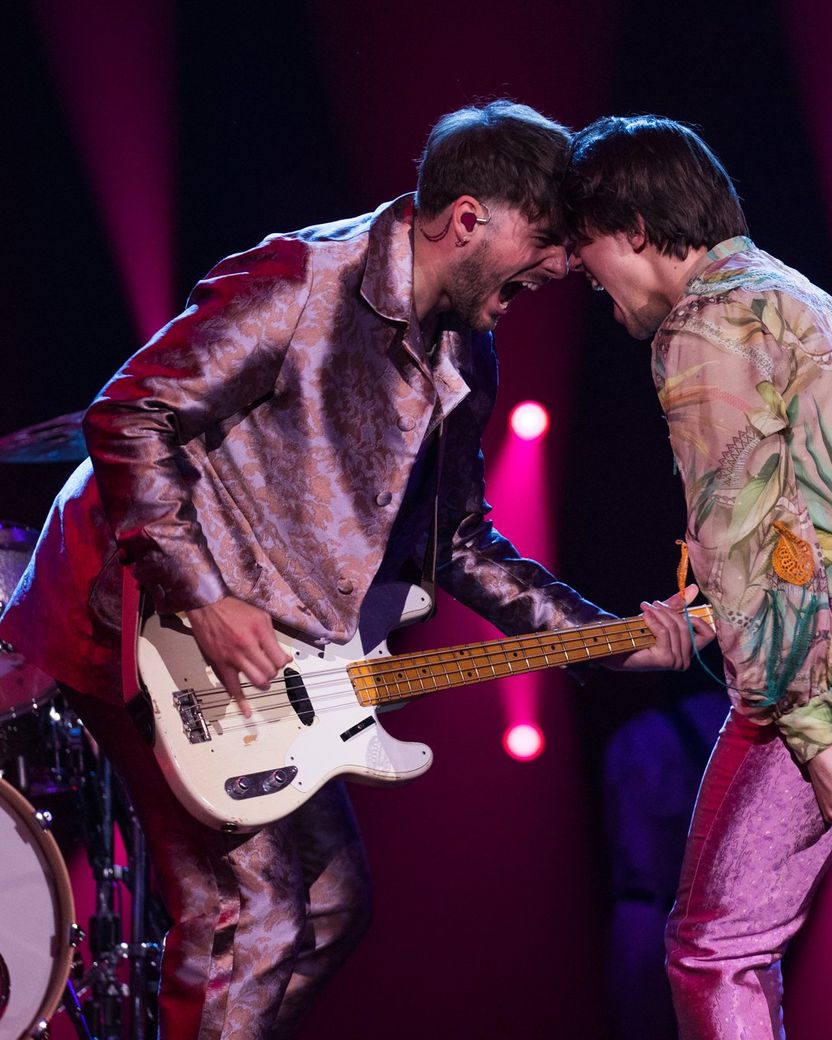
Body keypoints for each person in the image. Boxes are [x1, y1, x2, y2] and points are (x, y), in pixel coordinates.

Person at [0, 101, 707, 1039]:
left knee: (330, 907)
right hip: (130, 613)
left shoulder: (468, 350)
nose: (562, 266)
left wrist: (611, 641)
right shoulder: (301, 280)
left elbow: (458, 542)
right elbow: (128, 417)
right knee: (251, 919)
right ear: (466, 220)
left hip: (266, 662)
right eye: (544, 241)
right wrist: (205, 597)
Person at [564, 114, 832, 1040]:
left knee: (715, 949)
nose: (597, 292)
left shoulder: (701, 326)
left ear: (634, 229)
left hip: (812, 687)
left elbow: (759, 547)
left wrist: (811, 729)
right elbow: (802, 531)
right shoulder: (791, 295)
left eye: (590, 255)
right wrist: (712, 609)